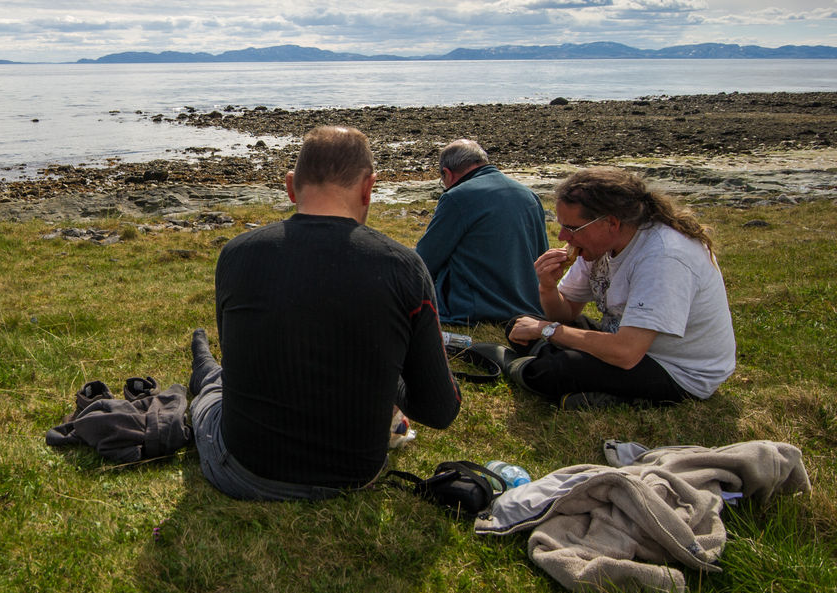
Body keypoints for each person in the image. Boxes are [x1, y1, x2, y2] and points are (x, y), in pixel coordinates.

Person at [188, 125, 461, 501]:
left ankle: (202, 369)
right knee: (220, 381)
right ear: (368, 187)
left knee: (216, 389)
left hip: (245, 470)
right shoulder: (404, 267)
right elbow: (441, 409)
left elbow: (244, 361)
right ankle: (203, 366)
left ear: (290, 186)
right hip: (355, 474)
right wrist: (389, 374)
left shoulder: (237, 253)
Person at [504, 167, 736, 409]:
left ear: (611, 223)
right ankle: (561, 370)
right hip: (624, 343)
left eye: (572, 228)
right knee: (520, 324)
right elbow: (566, 313)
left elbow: (626, 353)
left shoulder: (663, 257)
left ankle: (541, 366)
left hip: (677, 369)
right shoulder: (596, 248)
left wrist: (547, 331)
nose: (563, 237)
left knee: (556, 368)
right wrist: (548, 288)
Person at [414, 139, 549, 325]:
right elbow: (541, 253)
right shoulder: (528, 195)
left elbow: (426, 259)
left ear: (447, 173)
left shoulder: (457, 197)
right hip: (530, 305)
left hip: (479, 309)